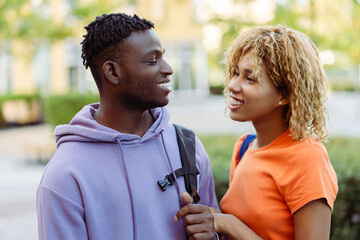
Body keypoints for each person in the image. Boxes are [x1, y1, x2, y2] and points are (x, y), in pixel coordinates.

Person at [36, 13, 219, 240]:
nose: (168, 69)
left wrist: (213, 234)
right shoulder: (65, 175)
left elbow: (217, 224)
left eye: (163, 57)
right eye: (152, 60)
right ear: (112, 72)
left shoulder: (188, 146)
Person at [176, 25, 338, 240]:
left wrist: (228, 223)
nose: (233, 85)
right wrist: (207, 217)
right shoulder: (244, 146)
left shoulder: (308, 157)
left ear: (285, 94)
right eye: (236, 73)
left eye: (250, 79)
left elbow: (237, 226)